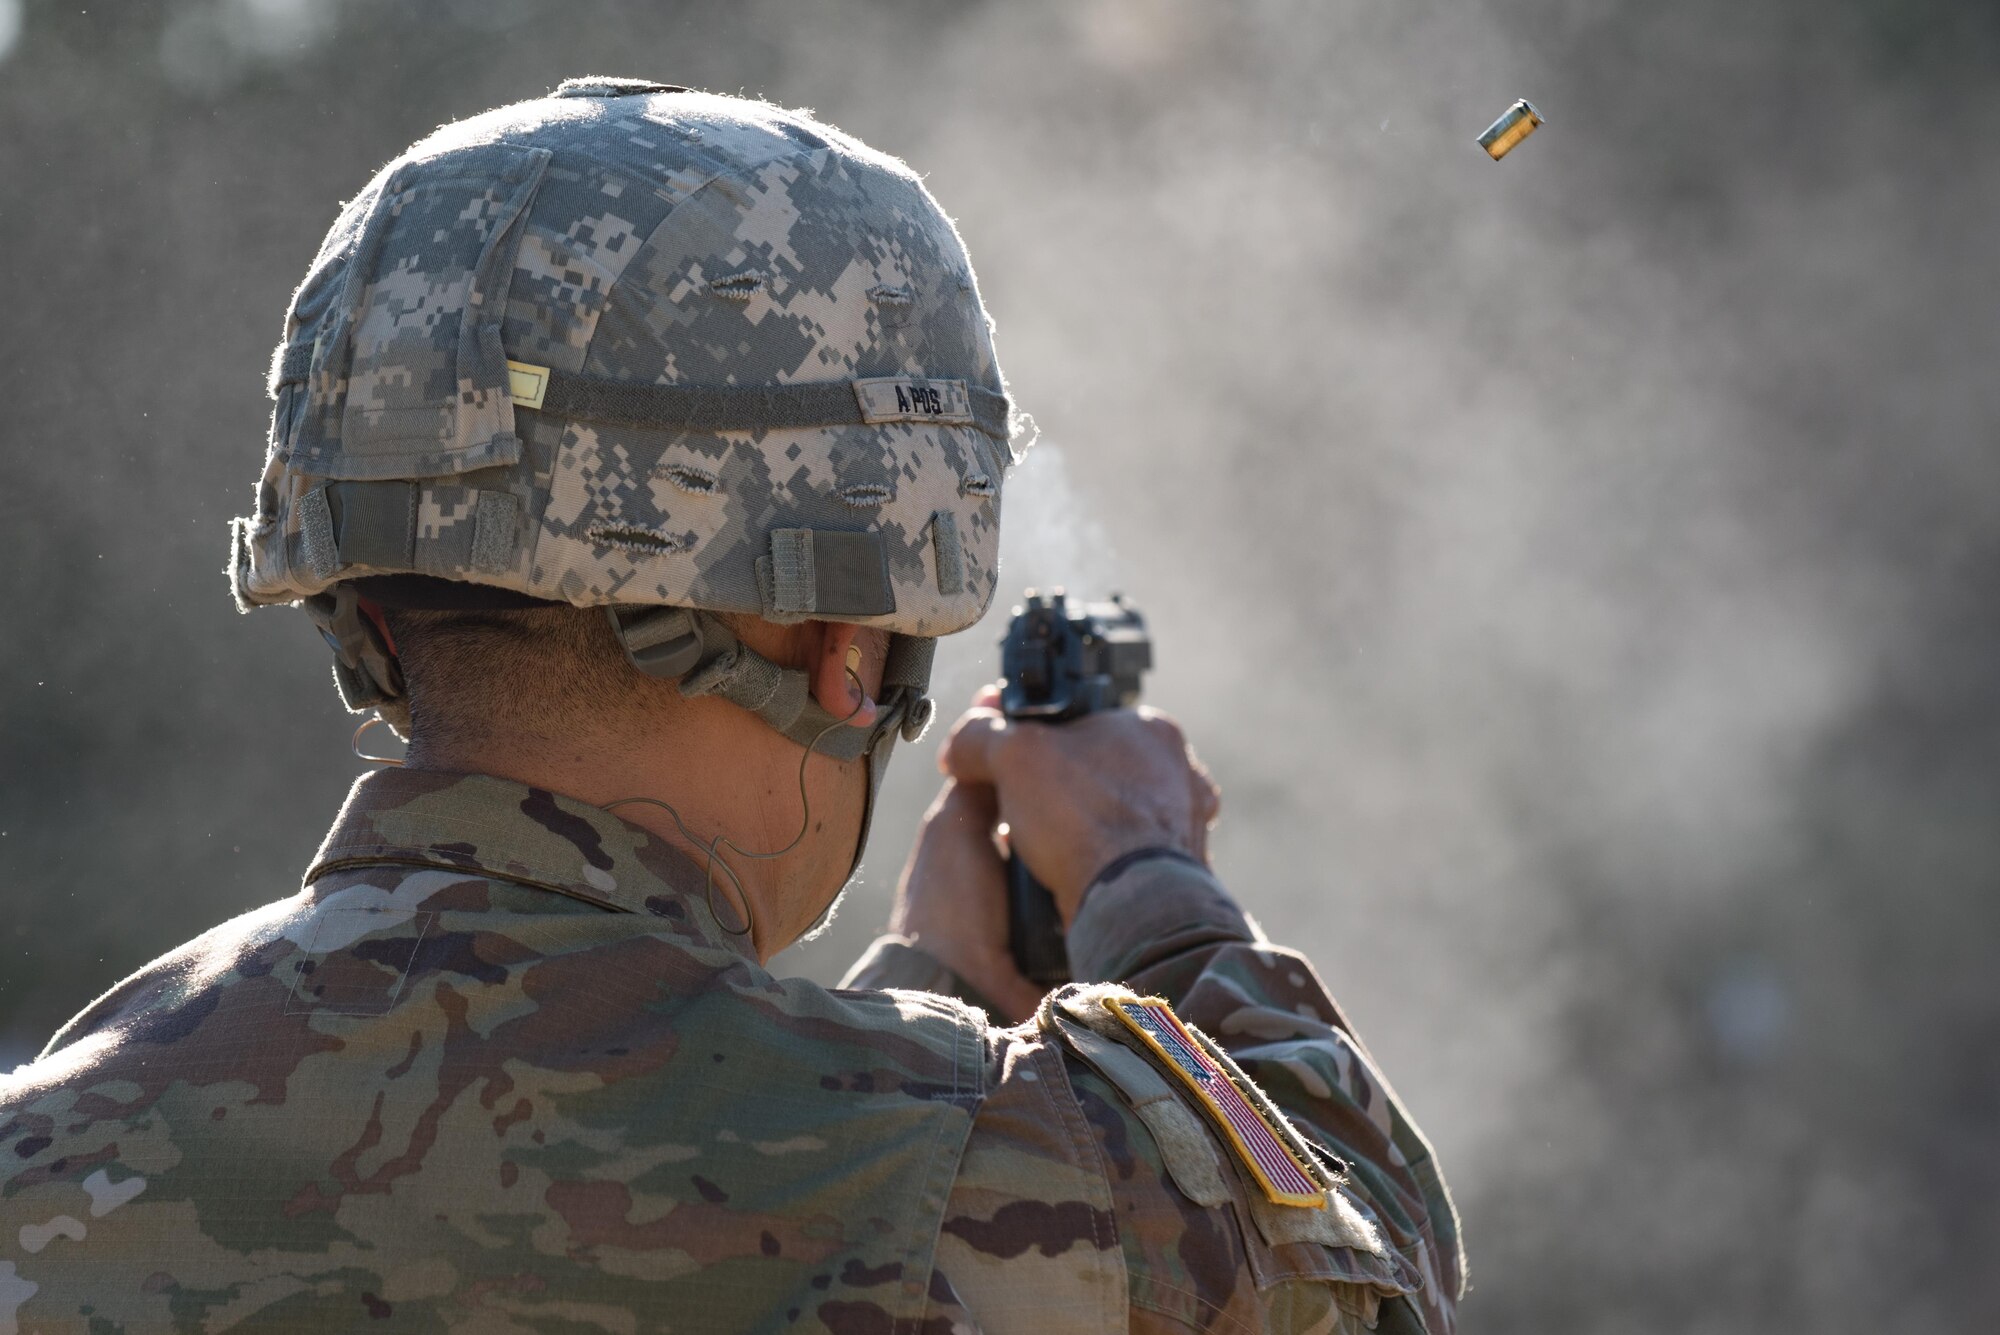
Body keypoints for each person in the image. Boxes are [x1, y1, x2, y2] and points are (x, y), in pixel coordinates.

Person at [0, 81, 1463, 1332]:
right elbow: (1361, 1276)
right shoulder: (977, 1175)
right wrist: (1152, 882)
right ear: (842, 650)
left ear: (363, 608)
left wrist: (920, 1006)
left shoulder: (48, 1150)